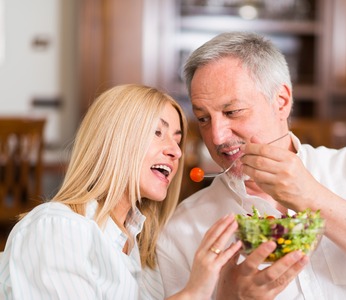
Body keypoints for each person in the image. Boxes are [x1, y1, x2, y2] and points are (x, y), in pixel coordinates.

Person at [156, 32, 346, 299]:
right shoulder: (183, 229)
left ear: (281, 101)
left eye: (233, 111)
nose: (216, 136)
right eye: (204, 118)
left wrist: (313, 197)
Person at [0, 84, 241, 299]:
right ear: (114, 139)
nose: (176, 152)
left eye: (177, 140)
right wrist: (193, 293)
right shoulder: (58, 228)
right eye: (157, 133)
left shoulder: (143, 251)